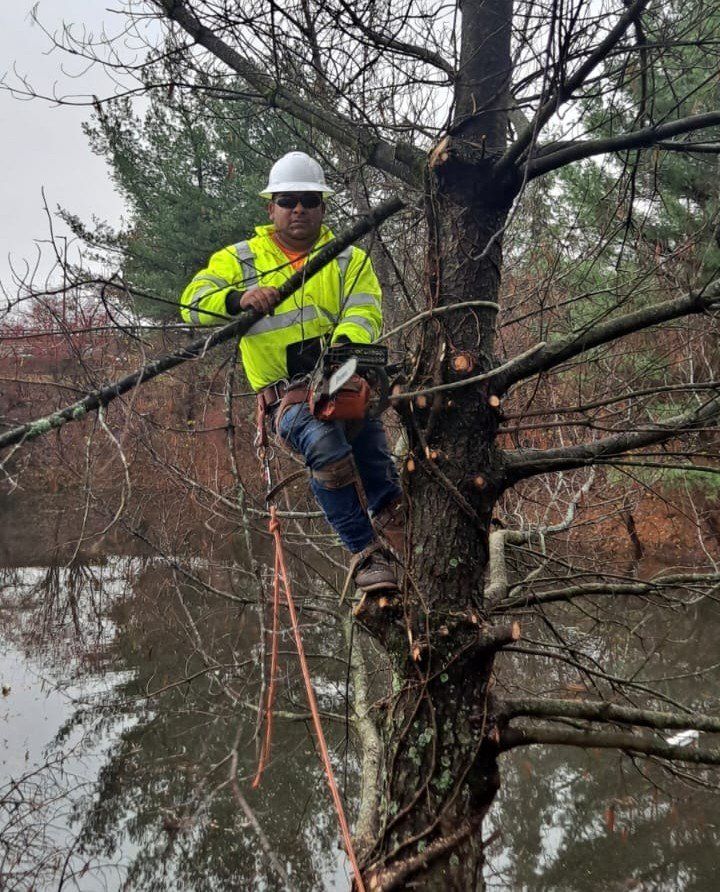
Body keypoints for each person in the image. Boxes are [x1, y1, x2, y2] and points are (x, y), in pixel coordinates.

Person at [180, 151, 404, 592]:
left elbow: (364, 311)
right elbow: (192, 301)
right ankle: (365, 555)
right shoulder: (240, 259)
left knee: (374, 455)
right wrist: (237, 300)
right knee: (324, 445)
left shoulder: (349, 258)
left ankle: (399, 527)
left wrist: (341, 352)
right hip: (285, 395)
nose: (297, 208)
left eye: (307, 199)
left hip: (342, 376)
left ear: (322, 207)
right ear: (272, 208)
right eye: (287, 200)